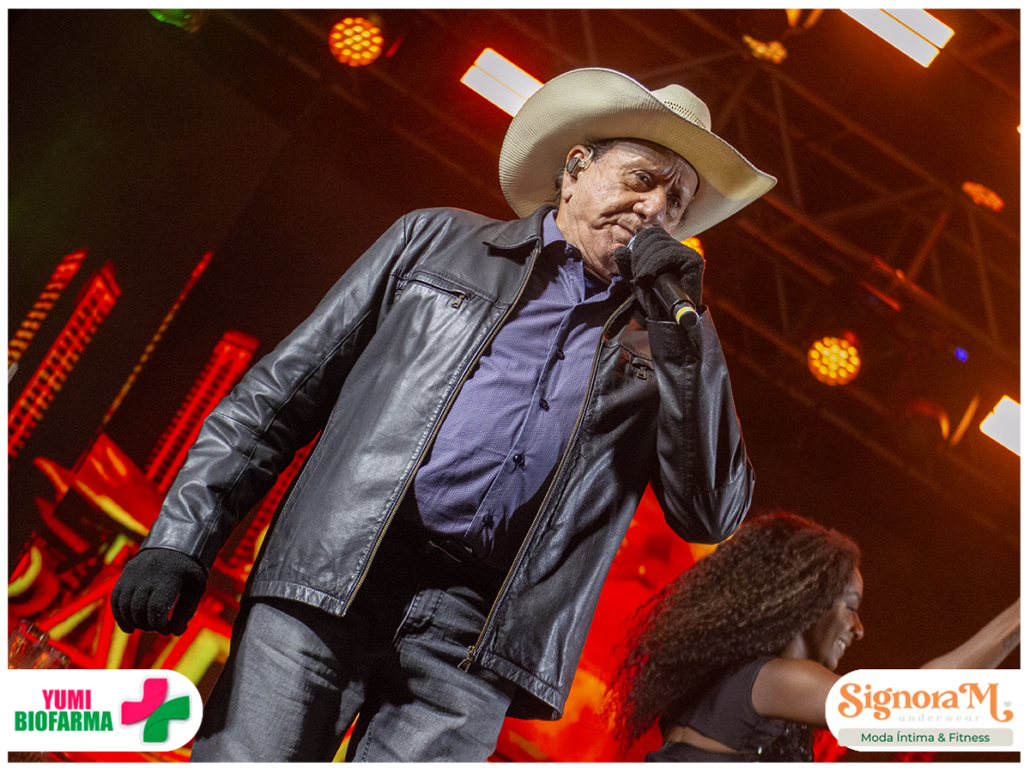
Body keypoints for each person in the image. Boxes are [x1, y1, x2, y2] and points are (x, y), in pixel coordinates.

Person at [109, 67, 776, 762]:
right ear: (576, 169)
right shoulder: (434, 241)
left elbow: (711, 513)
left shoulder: (669, 342)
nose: (655, 208)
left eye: (676, 200)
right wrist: (181, 537)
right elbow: (278, 397)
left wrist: (686, 336)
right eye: (642, 179)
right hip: (337, 569)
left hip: (477, 636)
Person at [606, 511, 1021, 762]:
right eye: (851, 607)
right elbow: (923, 704)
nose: (859, 629)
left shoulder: (737, 680)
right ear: (810, 603)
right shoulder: (773, 680)